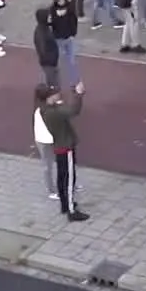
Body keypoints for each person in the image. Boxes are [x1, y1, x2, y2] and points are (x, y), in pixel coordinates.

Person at [34, 83, 88, 222]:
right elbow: (73, 111)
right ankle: (71, 210)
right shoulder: (54, 112)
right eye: (55, 93)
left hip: (59, 146)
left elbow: (64, 108)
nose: (58, 94)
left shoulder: (45, 109)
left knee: (61, 177)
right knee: (69, 179)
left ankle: (65, 205)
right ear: (49, 97)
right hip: (66, 146)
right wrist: (78, 94)